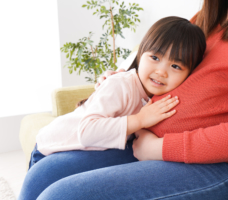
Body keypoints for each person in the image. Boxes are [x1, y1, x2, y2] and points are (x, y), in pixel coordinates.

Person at [19, 0, 228, 199]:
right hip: (146, 141)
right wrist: (123, 79)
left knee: (62, 196)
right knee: (43, 174)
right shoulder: (208, 14)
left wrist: (161, 148)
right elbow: (156, 66)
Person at [27, 16, 206, 169]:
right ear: (141, 54)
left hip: (82, 153)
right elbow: (87, 132)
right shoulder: (121, 85)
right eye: (155, 58)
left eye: (175, 66)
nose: (161, 71)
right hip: (51, 148)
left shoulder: (156, 96)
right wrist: (140, 120)